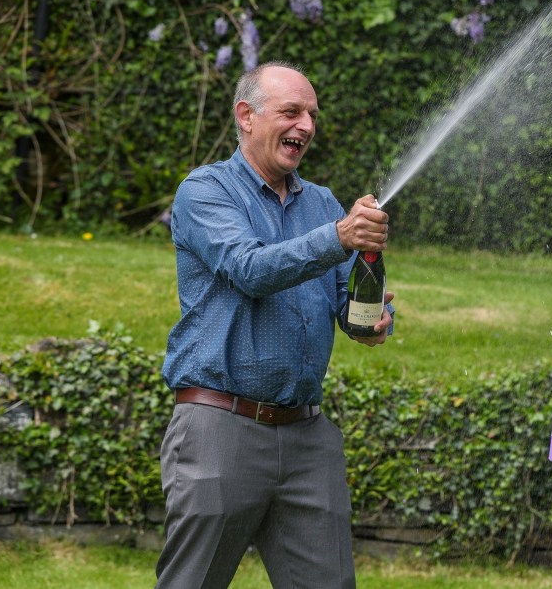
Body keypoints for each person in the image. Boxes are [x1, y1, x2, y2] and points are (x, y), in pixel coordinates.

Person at [156, 61, 394, 589]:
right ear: (246, 115)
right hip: (220, 427)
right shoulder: (204, 193)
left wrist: (372, 320)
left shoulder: (322, 205)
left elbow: (345, 301)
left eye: (312, 114)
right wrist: (338, 236)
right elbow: (250, 269)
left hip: (308, 437)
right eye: (291, 111)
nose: (306, 125)